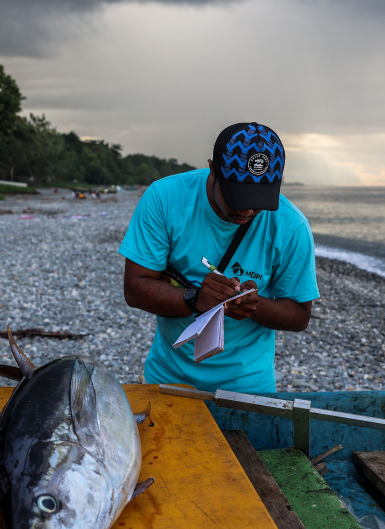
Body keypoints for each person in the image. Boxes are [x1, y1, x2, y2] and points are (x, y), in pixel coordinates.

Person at [118, 122, 319, 393]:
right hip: (168, 380)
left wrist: (254, 306)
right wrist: (194, 298)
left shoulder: (291, 226)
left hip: (248, 387)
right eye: (238, 198)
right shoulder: (165, 198)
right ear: (213, 170)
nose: (247, 212)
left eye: (259, 201)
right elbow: (135, 288)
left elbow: (300, 316)